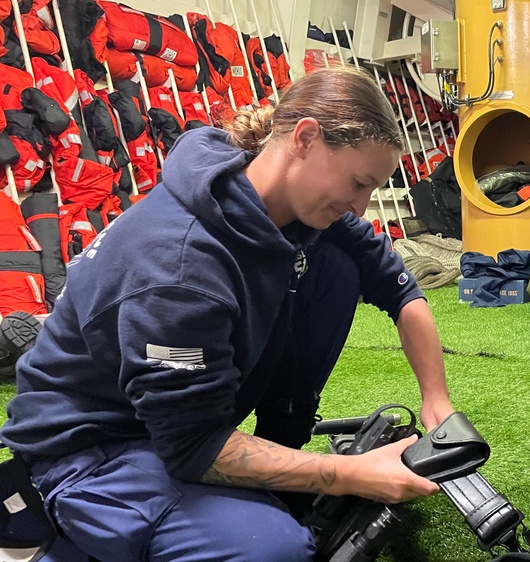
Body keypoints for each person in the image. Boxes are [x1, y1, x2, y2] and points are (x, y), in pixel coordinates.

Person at [1, 66, 455, 561]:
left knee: (337, 263)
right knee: (273, 549)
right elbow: (192, 446)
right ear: (304, 138)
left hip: (177, 415)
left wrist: (437, 401)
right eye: (358, 183)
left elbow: (399, 289)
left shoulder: (281, 194)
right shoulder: (179, 270)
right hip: (94, 446)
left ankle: (282, 442)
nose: (361, 206)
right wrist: (348, 474)